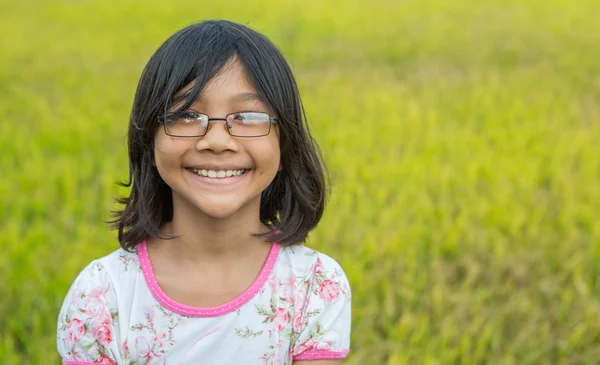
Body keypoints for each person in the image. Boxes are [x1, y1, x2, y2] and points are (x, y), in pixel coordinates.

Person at [56, 20, 351, 365]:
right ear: (149, 139)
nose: (216, 141)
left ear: (284, 144)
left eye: (247, 116)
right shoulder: (102, 296)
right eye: (186, 114)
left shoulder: (313, 286)